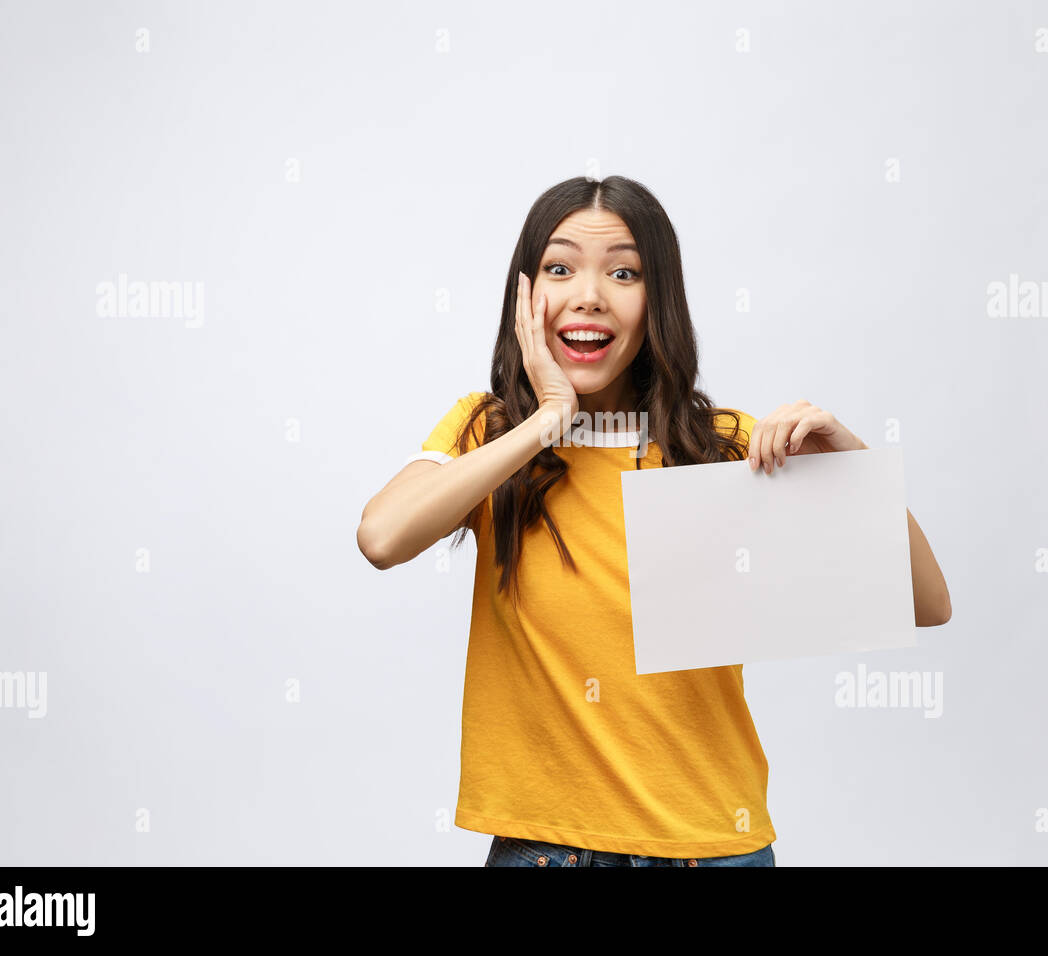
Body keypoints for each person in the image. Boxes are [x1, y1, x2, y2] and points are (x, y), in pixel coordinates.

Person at [356, 175, 952, 868]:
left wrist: (851, 467)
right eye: (559, 267)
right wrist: (546, 422)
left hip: (712, 847)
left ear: (656, 301)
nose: (589, 294)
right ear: (525, 297)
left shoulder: (725, 447)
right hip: (548, 851)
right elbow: (381, 537)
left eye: (623, 272)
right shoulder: (486, 437)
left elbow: (928, 603)